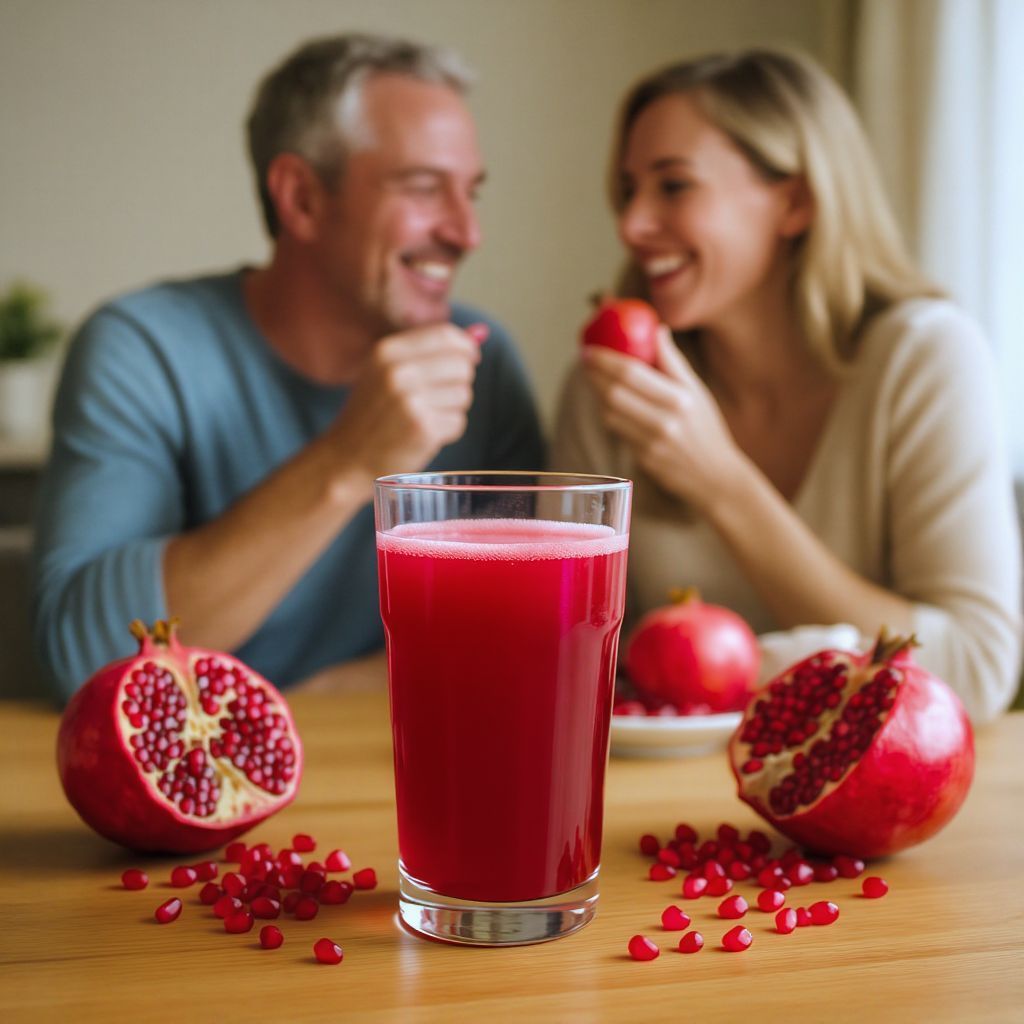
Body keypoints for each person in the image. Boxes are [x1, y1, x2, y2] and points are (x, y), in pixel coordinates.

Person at [33, 33, 545, 701]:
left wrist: (329, 693)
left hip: (397, 775)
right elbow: (84, 659)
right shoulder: (142, 349)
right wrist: (349, 462)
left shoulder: (484, 362)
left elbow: (526, 637)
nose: (466, 232)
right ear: (301, 198)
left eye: (470, 192)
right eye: (424, 189)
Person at [552, 49, 1021, 723]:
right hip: (652, 801)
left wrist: (722, 483)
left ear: (795, 201)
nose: (631, 225)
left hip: (875, 799)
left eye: (673, 186)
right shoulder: (613, 390)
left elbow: (976, 674)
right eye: (629, 191)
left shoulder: (925, 358)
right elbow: (568, 659)